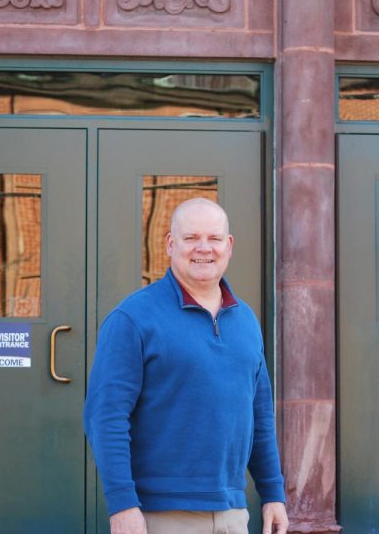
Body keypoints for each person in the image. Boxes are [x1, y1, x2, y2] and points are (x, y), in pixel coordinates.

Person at [84, 197, 289, 534]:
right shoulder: (133, 318)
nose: (204, 248)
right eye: (191, 238)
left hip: (233, 513)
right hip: (160, 515)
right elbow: (105, 416)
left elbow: (259, 416)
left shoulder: (246, 321)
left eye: (214, 238)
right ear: (170, 244)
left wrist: (273, 494)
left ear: (229, 245)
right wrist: (122, 504)